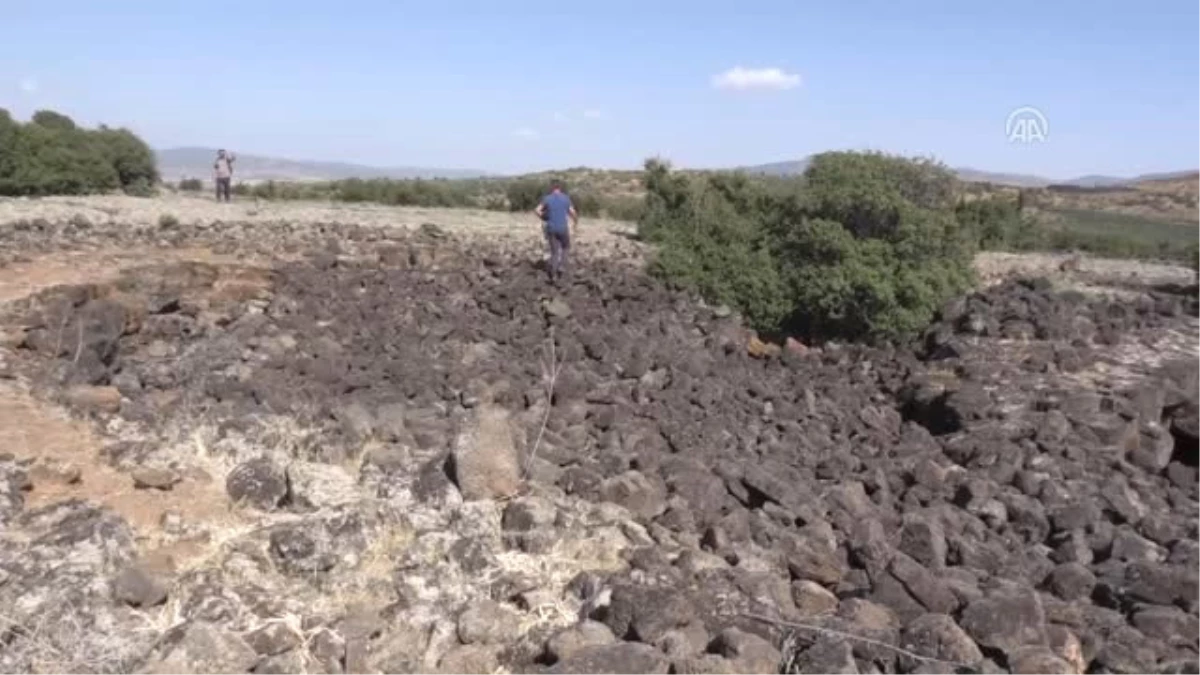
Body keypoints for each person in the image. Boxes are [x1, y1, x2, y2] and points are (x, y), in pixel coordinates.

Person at [533, 179, 578, 284]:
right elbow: (572, 212)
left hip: (551, 229)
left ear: (552, 188)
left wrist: (543, 217)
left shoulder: (547, 199)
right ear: (560, 188)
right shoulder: (565, 198)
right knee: (566, 247)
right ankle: (561, 266)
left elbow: (536, 210)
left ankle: (553, 275)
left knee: (554, 252)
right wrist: (575, 222)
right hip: (563, 228)